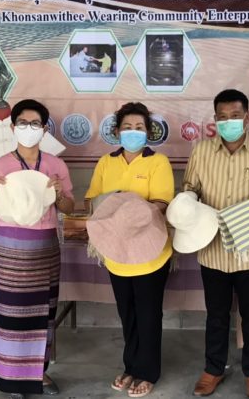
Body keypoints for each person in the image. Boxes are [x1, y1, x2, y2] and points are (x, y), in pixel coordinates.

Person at [183, 89, 249, 399]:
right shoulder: (201, 151)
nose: (228, 121)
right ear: (215, 119)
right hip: (212, 248)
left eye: (235, 116)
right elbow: (190, 189)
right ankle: (213, 369)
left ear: (247, 117)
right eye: (222, 117)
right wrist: (186, 204)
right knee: (216, 315)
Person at [0, 99, 75, 399]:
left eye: (35, 123)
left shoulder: (55, 165)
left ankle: (38, 374)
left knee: (42, 313)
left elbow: (68, 207)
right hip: (9, 248)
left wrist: (59, 193)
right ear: (13, 127)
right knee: (10, 314)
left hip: (45, 246)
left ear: (44, 129)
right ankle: (10, 378)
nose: (28, 128)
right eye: (23, 123)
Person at [84, 102, 174, 398]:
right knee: (128, 314)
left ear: (148, 132)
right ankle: (131, 366)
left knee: (149, 314)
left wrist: (124, 206)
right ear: (116, 131)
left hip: (150, 252)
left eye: (139, 127)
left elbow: (161, 203)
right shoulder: (106, 162)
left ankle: (148, 372)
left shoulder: (158, 162)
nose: (133, 132)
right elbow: (92, 201)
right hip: (117, 252)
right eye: (127, 127)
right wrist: (117, 203)